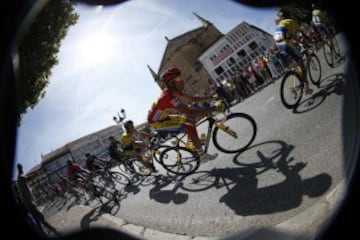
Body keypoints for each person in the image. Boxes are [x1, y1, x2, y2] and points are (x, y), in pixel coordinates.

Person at [147, 67, 223, 163]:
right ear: (171, 83)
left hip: (164, 117)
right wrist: (213, 109)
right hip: (156, 122)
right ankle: (202, 156)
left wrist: (210, 97)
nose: (182, 81)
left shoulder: (174, 91)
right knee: (189, 126)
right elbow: (190, 111)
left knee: (190, 120)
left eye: (180, 78)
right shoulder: (168, 97)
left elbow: (192, 99)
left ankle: (193, 143)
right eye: (178, 79)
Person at [273, 11, 313, 94]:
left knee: (296, 60)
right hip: (285, 44)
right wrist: (308, 41)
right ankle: (306, 86)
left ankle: (297, 74)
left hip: (279, 45)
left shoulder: (281, 24)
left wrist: (298, 42)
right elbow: (302, 34)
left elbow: (291, 37)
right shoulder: (291, 21)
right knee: (301, 63)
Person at [16, 163, 59, 237]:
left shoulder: (20, 178)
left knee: (37, 220)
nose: (23, 170)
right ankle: (51, 229)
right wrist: (38, 173)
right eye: (22, 169)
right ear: (21, 169)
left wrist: (36, 172)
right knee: (40, 217)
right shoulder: (21, 177)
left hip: (28, 204)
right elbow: (29, 178)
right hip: (29, 203)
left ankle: (44, 233)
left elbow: (28, 176)